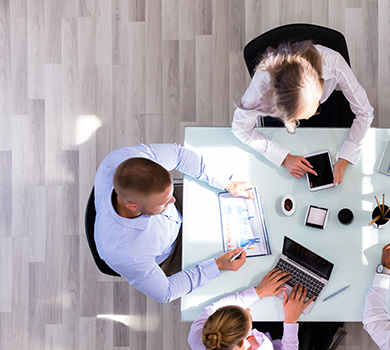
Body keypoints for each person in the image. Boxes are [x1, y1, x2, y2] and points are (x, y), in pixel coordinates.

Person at [94, 143, 253, 303]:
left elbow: (179, 156)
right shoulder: (128, 254)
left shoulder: (125, 161)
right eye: (164, 201)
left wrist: (226, 183)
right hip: (171, 251)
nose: (173, 199)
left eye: (170, 193)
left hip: (171, 215)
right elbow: (166, 292)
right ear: (133, 206)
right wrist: (217, 265)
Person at [232, 40, 374, 186]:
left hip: (326, 104)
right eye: (299, 118)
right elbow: (240, 127)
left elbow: (365, 112)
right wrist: (284, 157)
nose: (308, 118)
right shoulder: (260, 88)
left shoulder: (334, 62)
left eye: (315, 107)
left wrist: (345, 158)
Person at [188, 269, 335, 350]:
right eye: (249, 320)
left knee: (276, 308)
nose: (248, 309)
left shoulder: (197, 336)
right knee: (309, 318)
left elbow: (213, 308)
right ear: (244, 340)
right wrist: (291, 320)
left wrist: (259, 292)